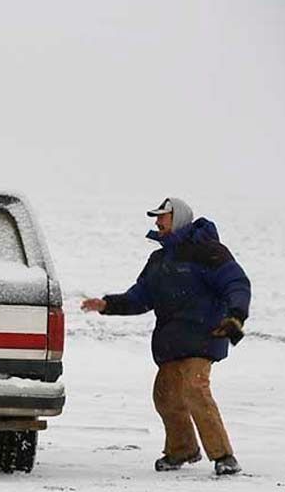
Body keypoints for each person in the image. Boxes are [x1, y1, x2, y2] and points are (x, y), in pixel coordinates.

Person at [81, 197, 251, 476]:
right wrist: (108, 305)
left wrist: (236, 315)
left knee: (195, 389)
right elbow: (140, 297)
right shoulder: (158, 260)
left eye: (163, 217)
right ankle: (182, 449)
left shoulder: (209, 251)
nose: (157, 222)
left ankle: (224, 456)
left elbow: (236, 283)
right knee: (164, 396)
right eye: (157, 218)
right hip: (171, 342)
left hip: (204, 335)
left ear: (179, 219)